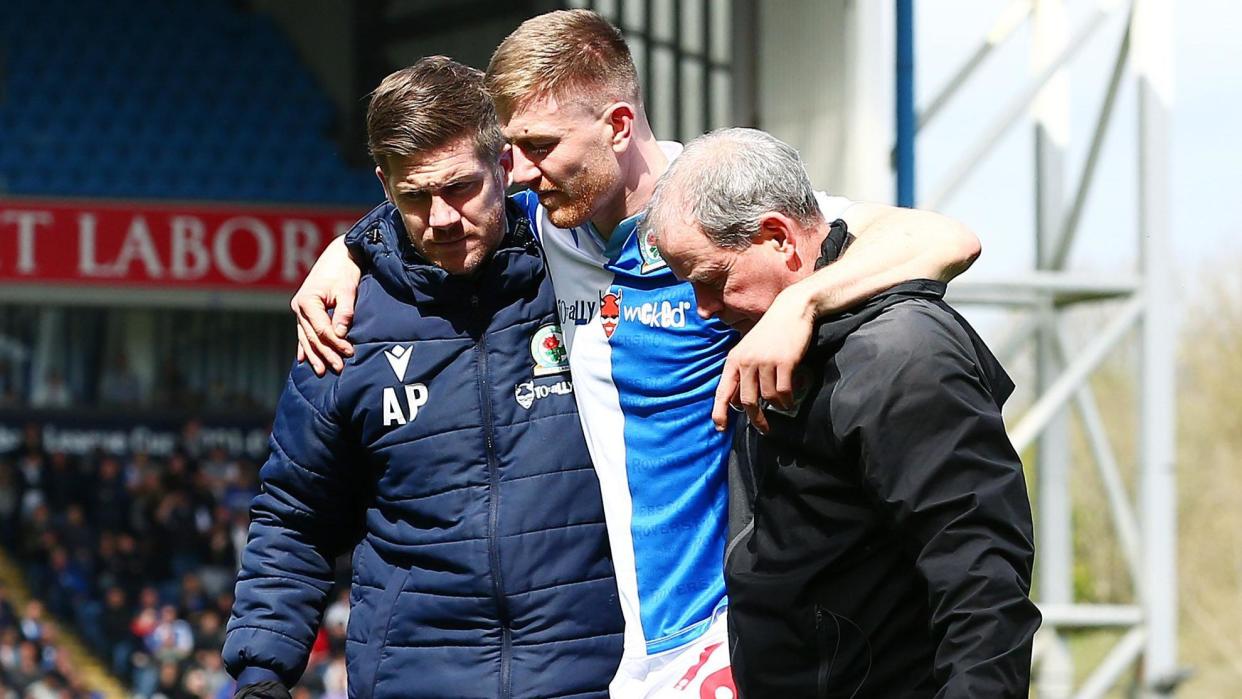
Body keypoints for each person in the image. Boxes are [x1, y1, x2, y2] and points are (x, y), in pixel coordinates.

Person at [291, 10, 982, 695]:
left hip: (726, 641)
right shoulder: (554, 222)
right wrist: (350, 250)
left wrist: (800, 302)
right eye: (512, 150)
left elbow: (945, 239)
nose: (521, 173)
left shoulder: (721, 211)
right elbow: (438, 195)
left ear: (618, 125)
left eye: (538, 146)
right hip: (636, 656)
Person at [222, 57, 623, 699]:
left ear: (504, 165)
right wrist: (261, 676)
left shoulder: (585, 271)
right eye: (413, 196)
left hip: (592, 673)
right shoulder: (342, 324)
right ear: (383, 184)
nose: (440, 218)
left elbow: (664, 181)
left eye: (460, 188)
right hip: (414, 679)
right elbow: (295, 517)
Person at [646, 127, 1040, 696]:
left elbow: (981, 581)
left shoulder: (901, 354)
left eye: (712, 280)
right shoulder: (779, 341)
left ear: (779, 237)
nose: (703, 309)